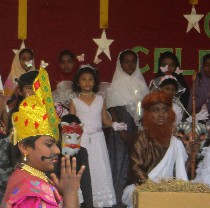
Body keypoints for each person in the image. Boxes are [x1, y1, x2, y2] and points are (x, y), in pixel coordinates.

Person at [2, 66, 83, 208]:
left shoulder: (26, 176)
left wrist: (68, 192)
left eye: (56, 144)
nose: (57, 150)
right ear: (24, 147)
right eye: (49, 144)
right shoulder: (31, 194)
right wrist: (70, 194)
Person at [121, 91, 192, 208]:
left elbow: (181, 174)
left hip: (168, 190)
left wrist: (192, 154)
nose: (161, 114)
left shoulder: (175, 142)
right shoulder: (140, 138)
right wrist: (154, 190)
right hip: (142, 188)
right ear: (148, 114)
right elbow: (136, 169)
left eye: (165, 110)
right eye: (155, 110)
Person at [68, 65, 119, 208]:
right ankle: (82, 199)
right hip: (82, 140)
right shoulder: (74, 101)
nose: (87, 82)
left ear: (95, 82)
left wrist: (115, 124)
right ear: (78, 82)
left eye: (90, 79)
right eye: (83, 79)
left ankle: (100, 200)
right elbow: (72, 123)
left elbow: (105, 120)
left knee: (99, 167)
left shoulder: (100, 99)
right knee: (83, 167)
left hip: (97, 139)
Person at [106, 49, 148, 206]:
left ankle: (133, 202)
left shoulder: (140, 83)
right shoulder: (116, 84)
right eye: (126, 61)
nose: (130, 65)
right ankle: (116, 202)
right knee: (120, 163)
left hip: (138, 129)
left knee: (135, 163)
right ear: (120, 63)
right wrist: (121, 130)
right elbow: (111, 108)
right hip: (120, 128)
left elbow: (145, 108)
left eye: (133, 61)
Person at [56, 114, 93, 208]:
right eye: (69, 136)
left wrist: (89, 205)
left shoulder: (82, 152)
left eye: (77, 137)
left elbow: (86, 182)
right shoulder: (54, 151)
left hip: (74, 198)